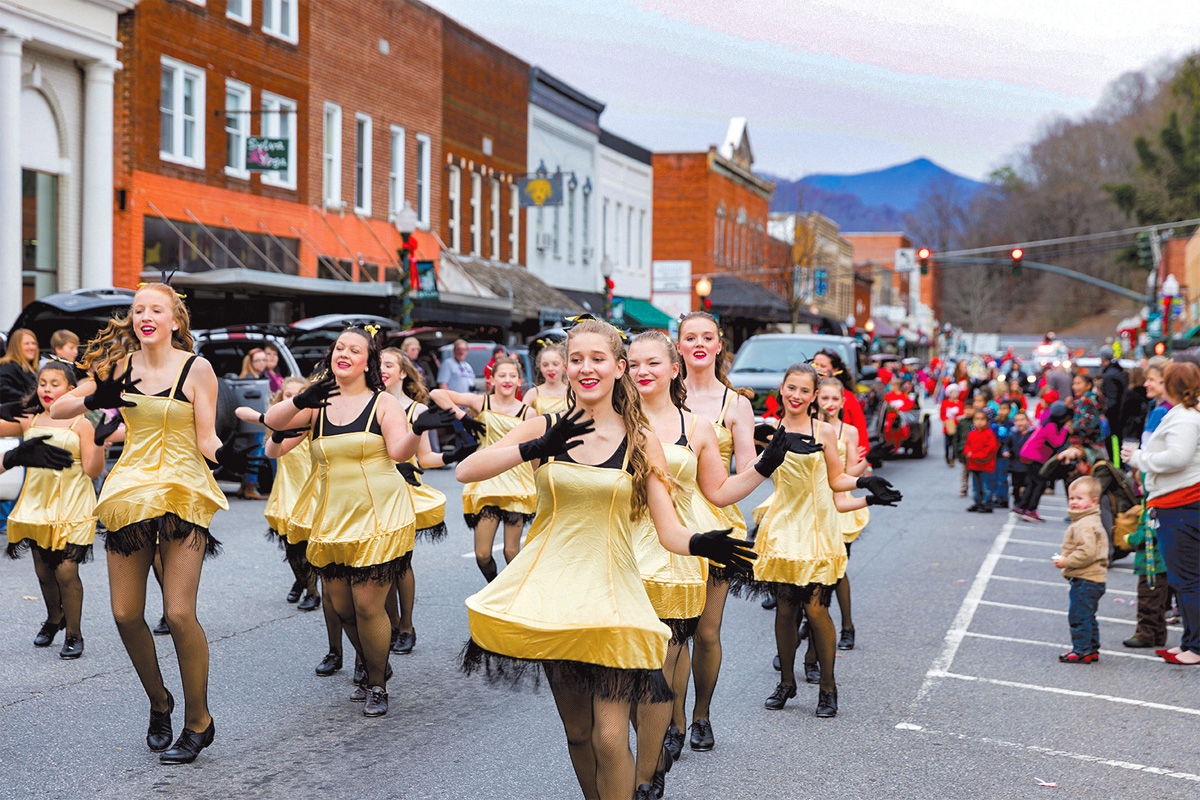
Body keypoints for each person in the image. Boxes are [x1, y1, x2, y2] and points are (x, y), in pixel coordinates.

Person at [456, 318, 753, 800]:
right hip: (554, 593)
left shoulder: (641, 439)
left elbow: (669, 528)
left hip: (613, 596)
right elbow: (467, 469)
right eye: (576, 359)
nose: (585, 368)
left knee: (610, 737)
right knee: (577, 733)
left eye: (598, 359)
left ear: (619, 368)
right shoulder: (546, 424)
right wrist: (535, 446)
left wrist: (703, 544)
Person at [53, 282, 243, 764]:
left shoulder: (196, 368)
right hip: (130, 493)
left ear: (174, 320)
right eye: (138, 309)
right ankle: (160, 701)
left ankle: (198, 721)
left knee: (179, 613)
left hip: (182, 490)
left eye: (155, 308)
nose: (145, 315)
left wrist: (228, 452)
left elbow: (205, 438)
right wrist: (98, 393)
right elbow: (58, 409)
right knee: (124, 613)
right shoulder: (118, 365)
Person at [264, 327, 454, 716]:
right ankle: (375, 662)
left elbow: (400, 452)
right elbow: (273, 435)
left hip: (379, 514)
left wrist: (418, 427)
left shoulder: (382, 404)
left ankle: (377, 684)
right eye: (339, 348)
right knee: (342, 607)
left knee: (368, 606)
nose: (344, 354)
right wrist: (302, 398)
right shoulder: (316, 404)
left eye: (355, 350)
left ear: (368, 361)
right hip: (331, 517)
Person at [625, 331, 778, 793]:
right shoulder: (613, 421)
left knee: (676, 647)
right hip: (624, 548)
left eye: (652, 363)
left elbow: (720, 489)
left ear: (673, 370)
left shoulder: (703, 424)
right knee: (631, 661)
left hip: (687, 545)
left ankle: (678, 734)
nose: (642, 371)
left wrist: (768, 464)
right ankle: (654, 742)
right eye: (633, 364)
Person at [731, 363, 900, 718]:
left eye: (804, 391)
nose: (796, 395)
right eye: (791, 388)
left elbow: (837, 480)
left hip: (818, 529)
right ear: (781, 389)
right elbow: (749, 473)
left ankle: (827, 688)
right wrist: (763, 448)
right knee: (785, 608)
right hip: (782, 527)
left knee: (816, 608)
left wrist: (867, 485)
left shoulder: (824, 432)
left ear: (813, 397)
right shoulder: (769, 430)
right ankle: (787, 683)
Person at [675, 311, 755, 752]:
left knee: (705, 631)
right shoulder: (659, 394)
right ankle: (671, 719)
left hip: (716, 522)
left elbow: (743, 471)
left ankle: (701, 715)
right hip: (665, 524)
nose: (700, 343)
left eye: (708, 336)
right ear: (679, 347)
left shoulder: (736, 404)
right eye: (691, 337)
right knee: (671, 631)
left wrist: (766, 464)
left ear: (720, 345)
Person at [2, 362, 103, 659]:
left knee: (67, 570)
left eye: (55, 383)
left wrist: (99, 442)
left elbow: (92, 469)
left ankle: (74, 633)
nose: (47, 388)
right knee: (43, 571)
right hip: (37, 503)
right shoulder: (29, 419)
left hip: (73, 503)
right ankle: (53, 618)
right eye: (42, 382)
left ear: (71, 391)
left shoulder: (82, 423)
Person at [380, 347, 476, 656]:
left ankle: (406, 626)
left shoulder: (417, 411)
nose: (382, 369)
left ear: (403, 372)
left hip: (405, 490)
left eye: (389, 364)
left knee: (400, 561)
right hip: (372, 490)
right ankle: (391, 624)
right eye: (378, 364)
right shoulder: (369, 404)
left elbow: (426, 458)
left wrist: (453, 454)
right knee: (379, 563)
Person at [1121, 361, 1200, 665]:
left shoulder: (1185, 418)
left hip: (1180, 504)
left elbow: (1178, 457)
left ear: (1172, 386)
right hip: (1177, 502)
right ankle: (1189, 642)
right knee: (1184, 579)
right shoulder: (1185, 413)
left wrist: (1140, 458)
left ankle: (1195, 646)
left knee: (1187, 579)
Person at [428, 357, 534, 582]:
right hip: (486, 480)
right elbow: (437, 394)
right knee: (483, 554)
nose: (507, 380)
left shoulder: (529, 413)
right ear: (492, 379)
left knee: (511, 552)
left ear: (519, 381)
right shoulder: (481, 402)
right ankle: (494, 588)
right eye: (502, 375)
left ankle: (516, 596)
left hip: (517, 483)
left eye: (512, 376)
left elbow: (535, 451)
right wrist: (463, 418)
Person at [816, 377, 870, 651]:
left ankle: (847, 626)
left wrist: (863, 467)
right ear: (816, 398)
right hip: (813, 504)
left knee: (837, 571)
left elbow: (848, 474)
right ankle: (814, 619)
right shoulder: (811, 427)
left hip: (839, 505)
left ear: (843, 402)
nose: (830, 404)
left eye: (835, 399)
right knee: (813, 569)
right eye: (824, 398)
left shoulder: (848, 432)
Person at [262, 377, 319, 610]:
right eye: (288, 395)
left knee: (308, 544)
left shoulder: (312, 421)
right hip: (286, 488)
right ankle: (300, 580)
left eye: (298, 394)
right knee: (289, 544)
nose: (293, 399)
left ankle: (313, 592)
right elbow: (270, 449)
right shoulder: (278, 421)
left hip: (309, 488)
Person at [1052, 476, 1108, 664]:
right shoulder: (1088, 520)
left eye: (1079, 498)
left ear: (1093, 501)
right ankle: (1091, 649)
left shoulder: (1085, 524)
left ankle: (1082, 650)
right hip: (1094, 579)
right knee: (1088, 616)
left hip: (1086, 578)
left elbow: (1087, 553)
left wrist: (1066, 561)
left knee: (1078, 615)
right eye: (1071, 498)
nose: (1074, 502)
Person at [1015, 402, 1071, 522]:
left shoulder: (1048, 422)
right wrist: (1066, 430)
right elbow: (1056, 443)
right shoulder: (1051, 425)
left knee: (1032, 482)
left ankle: (1022, 507)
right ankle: (1030, 510)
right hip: (1034, 456)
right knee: (1040, 483)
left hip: (1030, 454)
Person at [1122, 508, 1170, 649]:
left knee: (1147, 601)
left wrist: (1130, 538)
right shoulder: (1155, 506)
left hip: (1152, 565)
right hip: (1158, 563)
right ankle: (1158, 635)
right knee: (1157, 601)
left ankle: (1145, 635)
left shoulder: (1152, 509)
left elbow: (1148, 534)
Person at [812, 350, 869, 460]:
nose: (817, 369)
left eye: (823, 366)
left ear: (835, 370)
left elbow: (860, 430)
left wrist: (865, 463)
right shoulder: (805, 395)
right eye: (815, 365)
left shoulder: (848, 397)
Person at [964, 410, 999, 513]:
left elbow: (989, 449)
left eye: (982, 419)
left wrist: (974, 455)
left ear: (987, 421)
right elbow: (967, 446)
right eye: (977, 419)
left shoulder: (989, 434)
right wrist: (968, 453)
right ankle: (977, 502)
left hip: (985, 465)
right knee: (976, 486)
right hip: (974, 465)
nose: (979, 422)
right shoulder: (971, 434)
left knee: (986, 486)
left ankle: (987, 503)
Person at [521, 341, 569, 415]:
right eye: (545, 365)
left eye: (555, 364)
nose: (550, 368)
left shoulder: (573, 393)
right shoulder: (532, 394)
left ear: (564, 366)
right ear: (540, 367)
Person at [1099, 346, 1127, 458]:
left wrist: (1104, 413)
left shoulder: (1109, 376)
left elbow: (1112, 399)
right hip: (1120, 416)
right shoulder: (1118, 371)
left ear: (1103, 359)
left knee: (1114, 444)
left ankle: (1116, 467)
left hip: (1114, 419)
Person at [0, 328, 39, 403]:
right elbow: (2, 388)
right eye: (26, 343)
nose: (31, 347)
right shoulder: (9, 366)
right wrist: (27, 398)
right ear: (16, 346)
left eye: (33, 343)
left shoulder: (32, 368)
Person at [1005, 411, 1034, 509]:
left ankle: (1024, 503)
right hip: (1014, 464)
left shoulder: (1031, 434)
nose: (1019, 423)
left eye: (1022, 420)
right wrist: (1006, 451)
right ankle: (1017, 503)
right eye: (1017, 420)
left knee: (1026, 485)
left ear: (1027, 421)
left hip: (1027, 464)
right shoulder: (1012, 434)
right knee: (1015, 486)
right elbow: (1006, 445)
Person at [988, 402, 1013, 509]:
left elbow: (1010, 438)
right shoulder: (994, 422)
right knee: (994, 475)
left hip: (1004, 453)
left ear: (1009, 411)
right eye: (1000, 409)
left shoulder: (1010, 424)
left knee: (1002, 477)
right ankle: (995, 496)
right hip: (994, 452)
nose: (1002, 411)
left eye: (1004, 409)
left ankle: (1003, 498)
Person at [940, 385, 964, 467]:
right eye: (952, 392)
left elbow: (961, 414)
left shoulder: (960, 404)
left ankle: (953, 458)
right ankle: (947, 456)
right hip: (947, 426)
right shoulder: (945, 403)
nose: (954, 394)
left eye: (955, 392)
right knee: (947, 443)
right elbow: (942, 414)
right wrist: (946, 421)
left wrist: (957, 417)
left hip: (956, 426)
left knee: (955, 443)